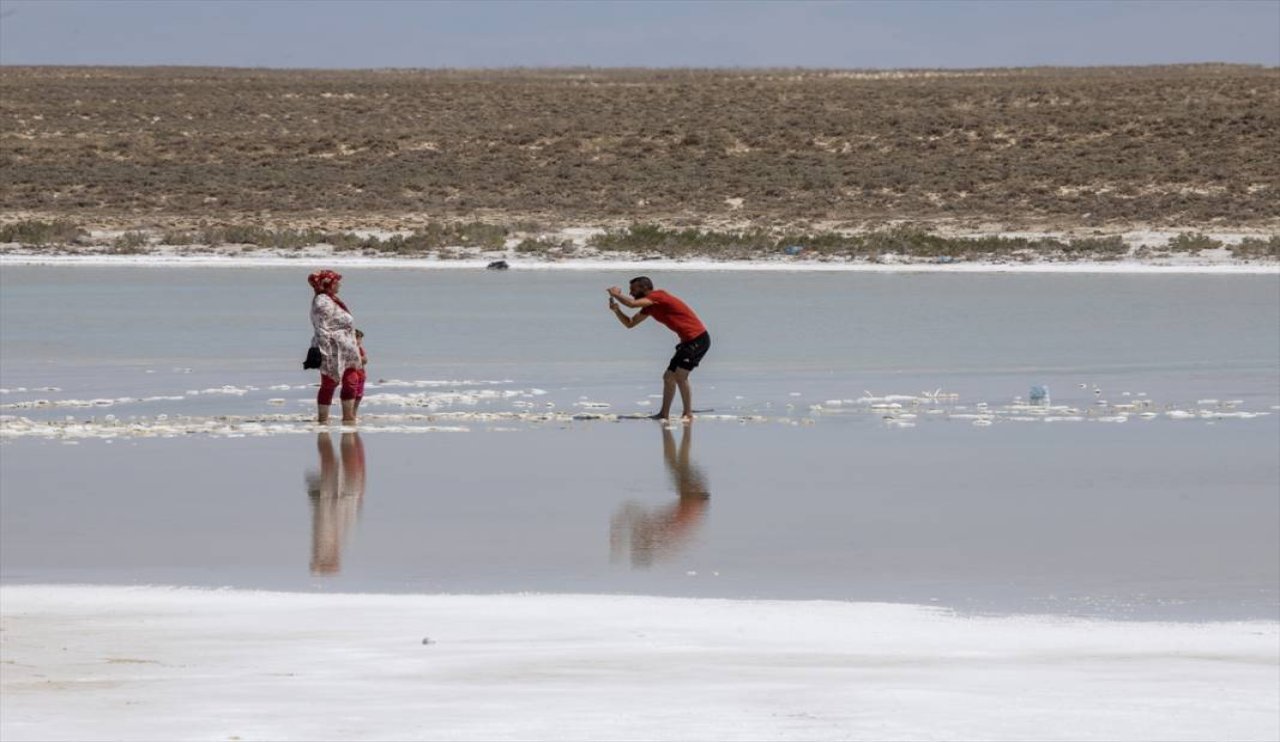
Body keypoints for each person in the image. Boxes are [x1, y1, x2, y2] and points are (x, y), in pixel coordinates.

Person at [607, 276, 710, 420]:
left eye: (633, 289)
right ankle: (664, 414)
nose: (631, 293)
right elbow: (630, 323)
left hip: (697, 339)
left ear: (644, 288)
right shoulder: (649, 307)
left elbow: (631, 304)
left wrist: (616, 294)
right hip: (687, 341)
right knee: (668, 377)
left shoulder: (658, 296)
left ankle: (688, 413)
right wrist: (617, 310)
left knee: (680, 376)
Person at [308, 269, 361, 424]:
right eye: (337, 282)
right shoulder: (322, 301)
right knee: (330, 382)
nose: (340, 285)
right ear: (328, 284)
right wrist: (323, 349)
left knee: (351, 380)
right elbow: (321, 326)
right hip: (332, 349)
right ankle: (323, 419)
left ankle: (348, 417)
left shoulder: (332, 299)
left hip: (347, 348)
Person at [352, 328, 368, 418]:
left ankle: (354, 413)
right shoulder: (350, 349)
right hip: (353, 374)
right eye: (358, 339)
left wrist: (361, 359)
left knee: (359, 395)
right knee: (352, 394)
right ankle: (351, 413)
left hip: (361, 374)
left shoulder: (360, 349)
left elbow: (365, 360)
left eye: (360, 339)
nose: (359, 341)